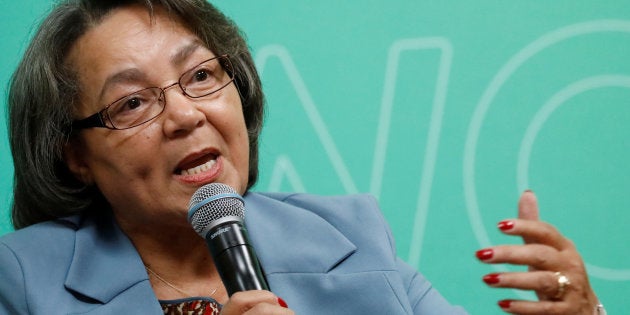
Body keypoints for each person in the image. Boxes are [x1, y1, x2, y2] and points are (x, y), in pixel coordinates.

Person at [0, 0, 604, 314]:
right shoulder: (23, 280)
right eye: (132, 104)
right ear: (74, 154)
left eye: (203, 75)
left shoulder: (348, 234)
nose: (186, 115)